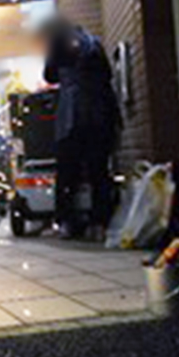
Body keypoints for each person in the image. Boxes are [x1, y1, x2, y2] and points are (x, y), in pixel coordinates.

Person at [38, 16, 121, 239]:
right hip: (100, 113)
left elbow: (49, 75)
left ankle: (66, 222)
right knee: (99, 171)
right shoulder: (94, 43)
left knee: (68, 171)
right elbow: (107, 74)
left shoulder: (58, 41)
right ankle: (99, 224)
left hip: (73, 114)